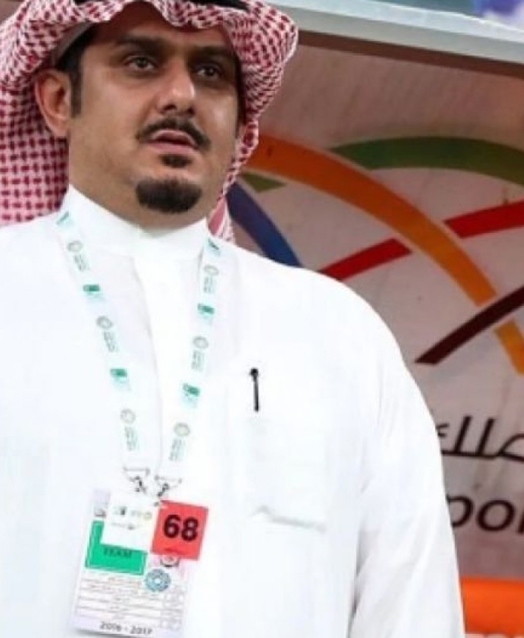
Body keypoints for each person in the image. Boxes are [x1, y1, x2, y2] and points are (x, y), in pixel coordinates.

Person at [0, 1, 464, 637]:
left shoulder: (335, 331)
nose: (182, 96)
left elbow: (409, 595)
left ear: (241, 122)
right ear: (58, 101)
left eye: (212, 73)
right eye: (141, 63)